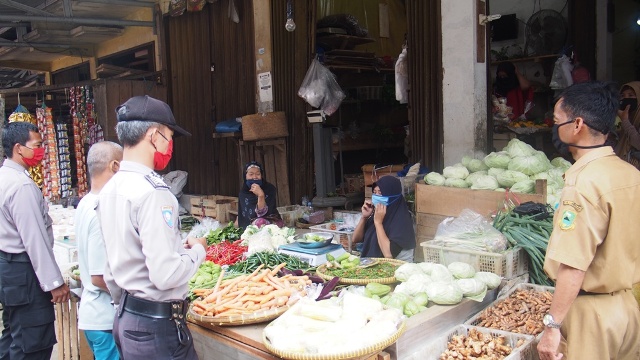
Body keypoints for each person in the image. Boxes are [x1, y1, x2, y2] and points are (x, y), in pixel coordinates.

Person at [96, 95, 207, 360]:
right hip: (157, 327)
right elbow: (165, 275)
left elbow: (111, 268)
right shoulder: (153, 192)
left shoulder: (110, 188)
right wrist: (198, 252)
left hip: (126, 318)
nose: (169, 145)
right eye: (169, 137)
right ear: (154, 135)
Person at [537, 81, 640, 360]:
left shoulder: (583, 184)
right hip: (627, 310)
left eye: (557, 121)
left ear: (577, 124)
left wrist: (552, 325)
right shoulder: (629, 173)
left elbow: (573, 264)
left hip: (591, 319)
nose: (554, 128)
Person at [0, 121, 70, 360]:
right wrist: (54, 282)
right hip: (24, 272)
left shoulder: (4, 177)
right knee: (32, 342)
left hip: (10, 272)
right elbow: (34, 240)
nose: (42, 151)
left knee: (14, 335)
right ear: (19, 148)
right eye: (37, 145)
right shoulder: (21, 186)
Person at [75, 141, 123, 360]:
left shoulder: (85, 202)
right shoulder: (99, 210)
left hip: (95, 316)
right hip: (104, 319)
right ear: (115, 166)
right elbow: (98, 277)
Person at [351, 176, 415, 262]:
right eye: (374, 192)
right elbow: (355, 239)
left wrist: (378, 223)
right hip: (373, 265)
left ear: (392, 196)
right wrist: (364, 217)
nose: (376, 196)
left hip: (395, 269)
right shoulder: (377, 214)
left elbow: (388, 255)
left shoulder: (402, 221)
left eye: (380, 193)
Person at [235, 161, 282, 228]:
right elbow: (246, 215)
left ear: (261, 175)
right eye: (251, 174)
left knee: (261, 222)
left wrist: (261, 195)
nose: (254, 177)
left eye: (258, 174)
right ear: (245, 176)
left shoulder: (270, 188)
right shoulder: (243, 193)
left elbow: (264, 214)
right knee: (256, 223)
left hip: (271, 221)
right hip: (251, 224)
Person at [615, 81, 640, 168]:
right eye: (622, 96)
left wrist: (625, 121)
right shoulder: (623, 116)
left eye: (631, 95)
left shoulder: (625, 118)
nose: (626, 99)